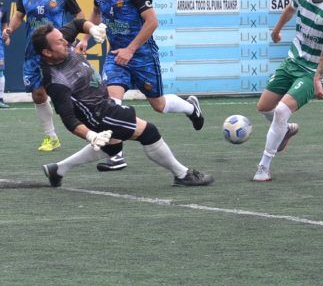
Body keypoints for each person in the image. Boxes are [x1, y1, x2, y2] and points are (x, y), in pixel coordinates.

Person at [35, 20, 213, 189]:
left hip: (104, 104)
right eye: (59, 42)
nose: (66, 42)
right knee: (149, 132)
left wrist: (92, 29)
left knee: (112, 146)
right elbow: (69, 119)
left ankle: (58, 169)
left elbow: (77, 23)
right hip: (100, 115)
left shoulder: (59, 42)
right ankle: (182, 175)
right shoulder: (56, 82)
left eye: (63, 38)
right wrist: (91, 136)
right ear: (47, 53)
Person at [89, 0, 203, 168]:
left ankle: (191, 107)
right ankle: (116, 154)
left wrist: (130, 50)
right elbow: (96, 12)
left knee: (158, 105)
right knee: (112, 102)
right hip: (116, 55)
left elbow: (152, 22)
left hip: (142, 56)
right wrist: (87, 37)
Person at [252, 0, 323, 182]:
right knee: (264, 108)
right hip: (293, 61)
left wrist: (319, 78)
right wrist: (276, 30)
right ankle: (286, 130)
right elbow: (290, 10)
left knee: (282, 111)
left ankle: (263, 167)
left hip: (313, 69)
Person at [3, 0, 83, 151]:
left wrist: (79, 39)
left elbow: (79, 17)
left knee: (69, 93)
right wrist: (10, 30)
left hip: (57, 53)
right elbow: (19, 15)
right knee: (38, 95)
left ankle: (91, 129)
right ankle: (51, 136)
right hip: (33, 54)